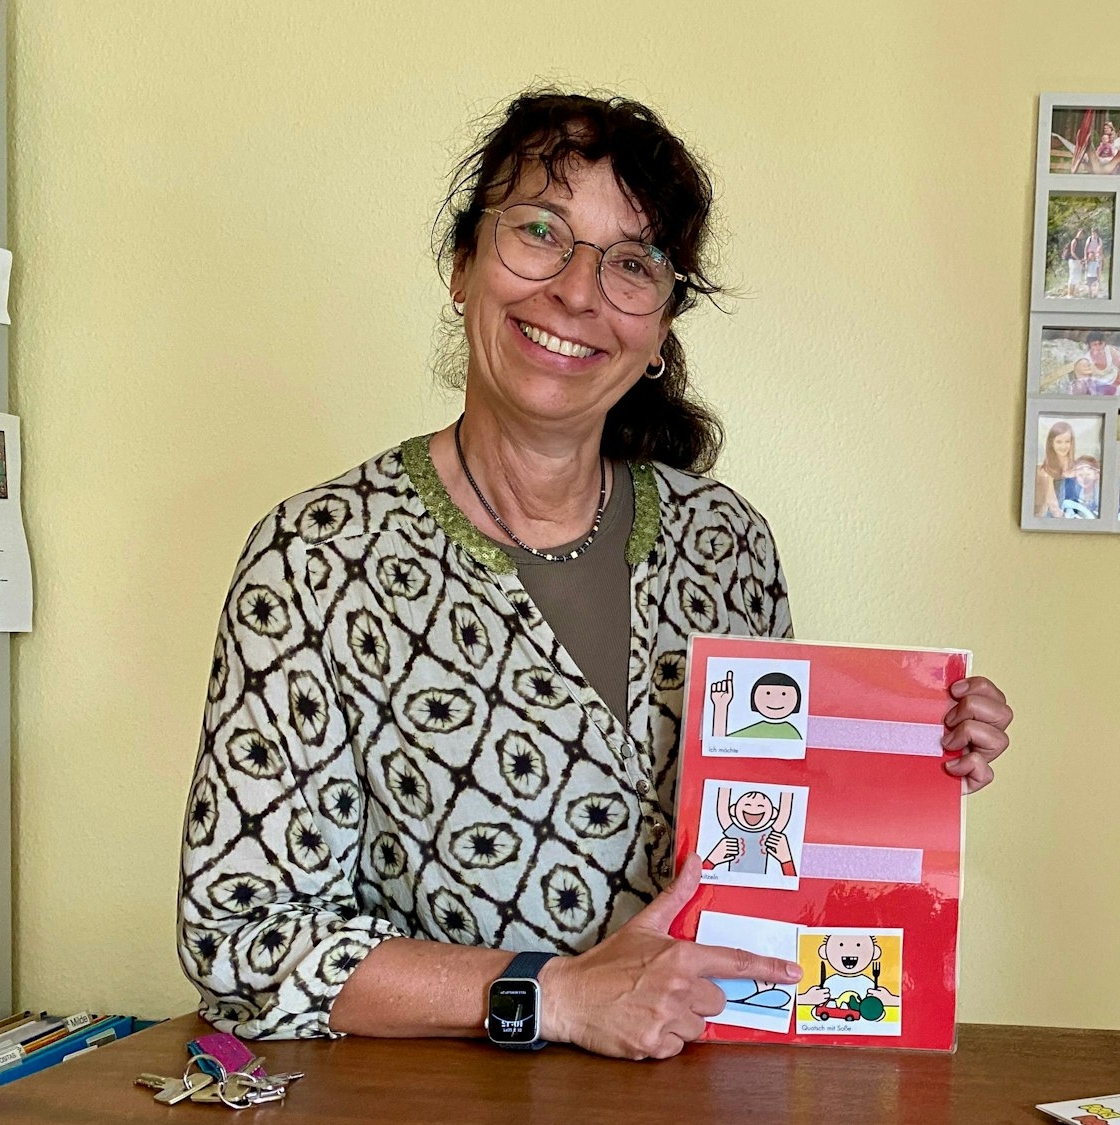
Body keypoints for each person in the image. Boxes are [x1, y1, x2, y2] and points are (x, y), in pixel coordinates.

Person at [175, 91, 1014, 1057]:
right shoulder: (314, 558)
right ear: (462, 267)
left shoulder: (724, 541)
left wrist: (908, 758)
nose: (578, 291)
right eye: (540, 231)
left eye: (631, 263)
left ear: (660, 328)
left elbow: (768, 842)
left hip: (701, 1088)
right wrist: (558, 994)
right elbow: (243, 944)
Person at [1034, 420, 1090, 516]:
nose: (1063, 446)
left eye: (1067, 441)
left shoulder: (1077, 467)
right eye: (1059, 442)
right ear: (1052, 443)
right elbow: (1053, 505)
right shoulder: (1045, 470)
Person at [1084, 227, 1105, 296]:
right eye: (1092, 232)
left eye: (1094, 232)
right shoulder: (1089, 239)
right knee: (1088, 269)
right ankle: (1087, 283)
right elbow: (1086, 248)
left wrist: (1101, 257)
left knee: (1098, 272)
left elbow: (1101, 248)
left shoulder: (1099, 240)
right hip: (1090, 256)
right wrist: (1085, 256)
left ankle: (1098, 287)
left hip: (1097, 256)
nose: (1093, 233)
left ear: (1097, 232)